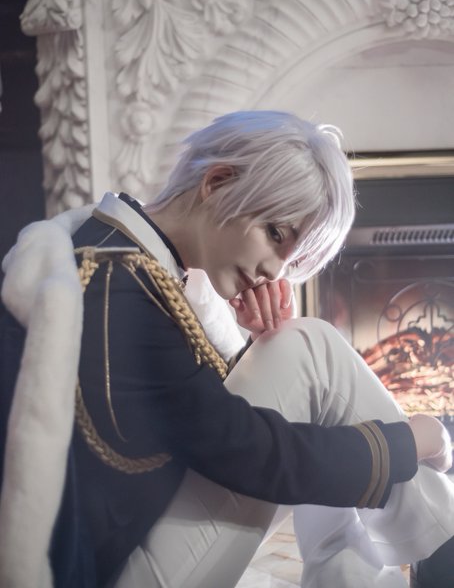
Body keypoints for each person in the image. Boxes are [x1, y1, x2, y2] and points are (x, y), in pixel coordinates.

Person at [0, 110, 452, 588]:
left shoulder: (115, 252)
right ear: (216, 183)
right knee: (310, 349)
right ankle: (442, 549)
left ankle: (408, 559)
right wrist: (413, 442)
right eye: (275, 234)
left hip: (128, 542)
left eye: (291, 256)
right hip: (109, 575)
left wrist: (253, 343)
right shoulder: (122, 287)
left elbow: (182, 425)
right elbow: (254, 455)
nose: (276, 271)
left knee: (300, 348)